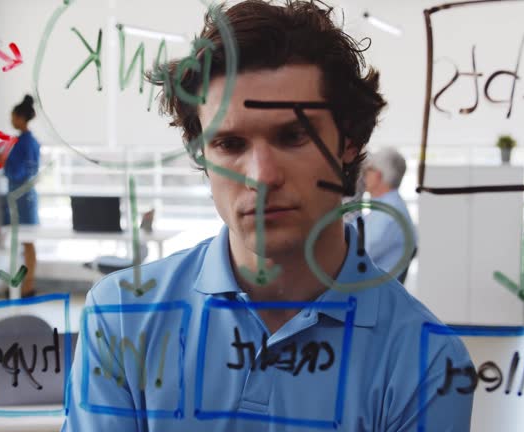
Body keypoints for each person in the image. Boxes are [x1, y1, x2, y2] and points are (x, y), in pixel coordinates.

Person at [63, 1, 473, 431]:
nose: (262, 176)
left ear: (348, 142)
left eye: (294, 135)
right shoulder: (120, 316)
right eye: (230, 144)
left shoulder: (428, 363)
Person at [0, 94, 40, 298]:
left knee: (27, 242)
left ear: (20, 118)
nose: (11, 120)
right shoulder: (23, 141)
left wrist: (1, 159)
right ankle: (21, 285)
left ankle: (27, 286)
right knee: (21, 242)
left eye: (13, 116)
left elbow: (20, 171)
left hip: (23, 196)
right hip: (19, 196)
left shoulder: (25, 143)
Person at [363, 147, 418, 279]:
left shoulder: (389, 213)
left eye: (368, 170)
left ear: (378, 175)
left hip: (371, 292)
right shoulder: (383, 208)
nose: (363, 175)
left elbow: (360, 253)